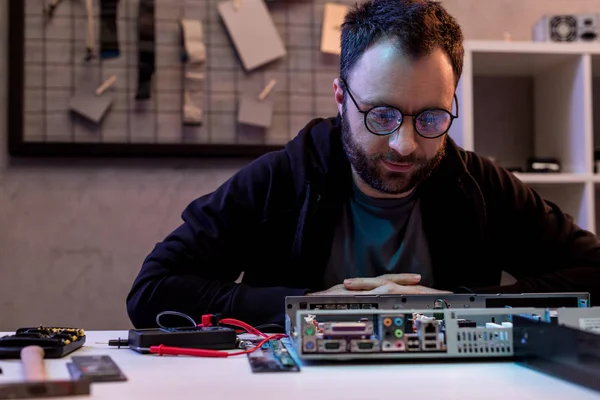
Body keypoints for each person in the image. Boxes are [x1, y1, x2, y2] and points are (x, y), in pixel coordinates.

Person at [126, 0, 600, 329]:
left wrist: (458, 308)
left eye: (431, 117)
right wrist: (305, 307)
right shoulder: (282, 178)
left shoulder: (476, 183)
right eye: (381, 114)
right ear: (340, 99)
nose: (404, 145)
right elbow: (152, 292)